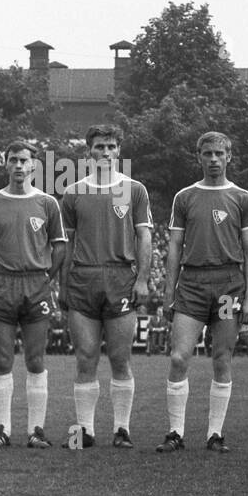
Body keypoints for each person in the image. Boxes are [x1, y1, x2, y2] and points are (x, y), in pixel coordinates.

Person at [156, 131, 248, 453]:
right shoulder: (184, 197)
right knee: (178, 356)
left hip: (229, 284)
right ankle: (175, 432)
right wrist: (168, 291)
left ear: (229, 157)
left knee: (222, 357)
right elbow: (174, 246)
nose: (213, 159)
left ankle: (215, 434)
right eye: (207, 154)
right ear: (198, 157)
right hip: (193, 284)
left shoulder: (243, 198)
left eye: (219, 153)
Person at [58, 124, 153, 448]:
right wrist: (63, 283)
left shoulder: (134, 190)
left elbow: (144, 236)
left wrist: (142, 279)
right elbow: (67, 244)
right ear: (89, 151)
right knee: (85, 357)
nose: (106, 152)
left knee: (119, 357)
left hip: (120, 277)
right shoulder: (72, 193)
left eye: (112, 146)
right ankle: (84, 430)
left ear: (119, 150)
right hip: (83, 277)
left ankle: (121, 429)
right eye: (99, 147)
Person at [0, 140, 67, 448]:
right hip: (2, 285)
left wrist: (45, 276)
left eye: (24, 160)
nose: (18, 165)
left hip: (36, 285)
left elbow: (59, 247)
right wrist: (3, 273)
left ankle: (36, 430)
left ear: (33, 166)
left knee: (35, 358)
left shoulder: (47, 203)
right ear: (5, 164)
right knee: (2, 359)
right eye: (13, 159)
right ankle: (1, 429)